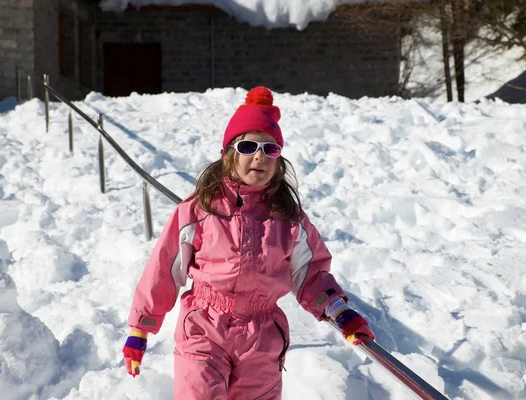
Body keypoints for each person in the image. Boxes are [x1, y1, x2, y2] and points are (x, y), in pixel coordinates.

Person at [122, 86, 375, 399]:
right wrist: (140, 328)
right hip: (204, 326)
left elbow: (310, 274)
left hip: (263, 335)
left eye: (271, 150)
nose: (259, 155)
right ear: (228, 154)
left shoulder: (289, 219)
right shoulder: (199, 209)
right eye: (248, 146)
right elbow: (164, 267)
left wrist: (339, 310)